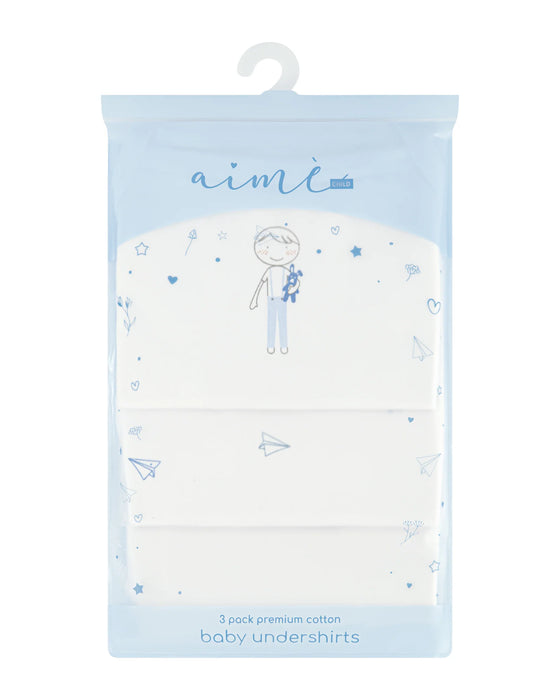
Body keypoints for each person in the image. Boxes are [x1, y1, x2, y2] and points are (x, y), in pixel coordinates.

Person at [249, 226, 301, 354]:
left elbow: (297, 282)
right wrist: (254, 300)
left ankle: (284, 345)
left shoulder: (285, 270)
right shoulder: (269, 271)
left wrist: (292, 289)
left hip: (283, 300)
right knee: (271, 323)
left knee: (282, 323)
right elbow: (260, 285)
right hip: (271, 300)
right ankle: (270, 345)